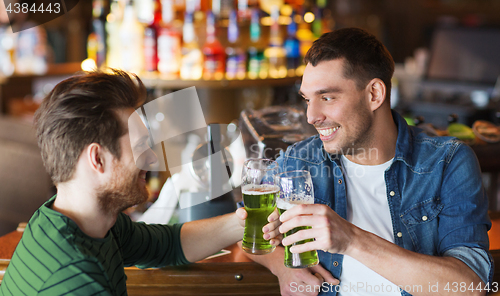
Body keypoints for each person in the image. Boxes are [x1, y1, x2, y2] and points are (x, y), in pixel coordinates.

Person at [246, 28, 493, 296]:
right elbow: (245, 225)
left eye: (327, 97)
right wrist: (282, 267)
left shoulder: (447, 161)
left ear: (374, 94)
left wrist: (351, 239)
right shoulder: (299, 161)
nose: (311, 116)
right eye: (307, 100)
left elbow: (470, 287)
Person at [0, 69, 280, 296]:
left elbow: (167, 245)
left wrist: (245, 221)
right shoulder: (74, 277)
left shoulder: (82, 221)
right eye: (141, 146)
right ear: (97, 159)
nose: (153, 160)